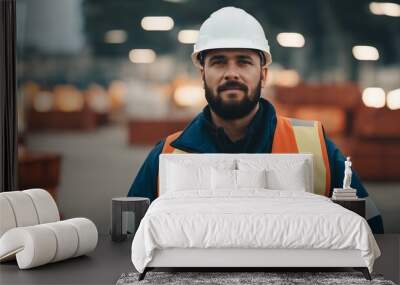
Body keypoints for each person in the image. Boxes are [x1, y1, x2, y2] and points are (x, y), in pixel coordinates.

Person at [128, 7, 383, 233]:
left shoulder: (314, 146)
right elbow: (129, 237)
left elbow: (370, 228)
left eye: (243, 62)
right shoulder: (168, 155)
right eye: (218, 62)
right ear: (202, 73)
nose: (232, 73)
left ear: (263, 74)